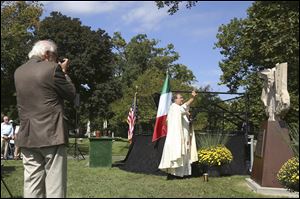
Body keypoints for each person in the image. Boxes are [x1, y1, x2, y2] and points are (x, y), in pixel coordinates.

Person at [14, 40, 76, 198]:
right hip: (52, 134)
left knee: (32, 183)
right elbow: (71, 94)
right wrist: (64, 71)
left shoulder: (18, 72)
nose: (57, 60)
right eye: (55, 56)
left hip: (27, 135)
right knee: (55, 185)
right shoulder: (53, 68)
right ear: (47, 54)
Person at [158, 91, 199, 179]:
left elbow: (184, 117)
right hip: (176, 138)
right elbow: (184, 107)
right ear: (175, 99)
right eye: (180, 98)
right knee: (177, 154)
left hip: (183, 136)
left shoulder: (178, 109)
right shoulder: (174, 107)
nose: (182, 99)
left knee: (184, 155)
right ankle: (175, 175)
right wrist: (192, 98)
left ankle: (182, 174)